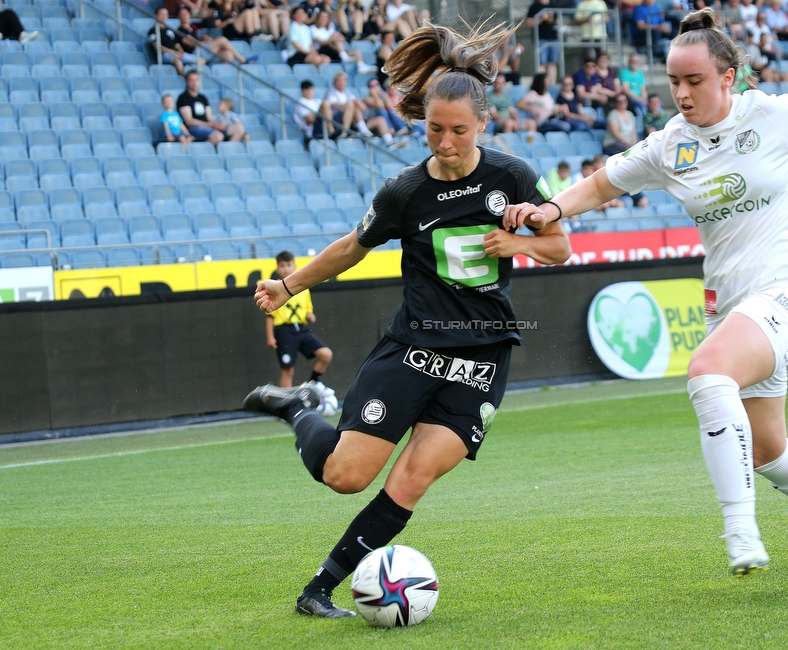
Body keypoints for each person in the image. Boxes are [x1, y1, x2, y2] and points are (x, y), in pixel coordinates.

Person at [504, 6, 788, 577]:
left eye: (694, 81)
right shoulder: (670, 144)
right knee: (768, 449)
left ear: (727, 77)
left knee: (707, 373)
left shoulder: (775, 113)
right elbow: (599, 186)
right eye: (674, 81)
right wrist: (548, 208)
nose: (682, 93)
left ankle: (740, 529)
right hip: (730, 307)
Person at [242, 22, 570, 618]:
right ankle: (299, 409)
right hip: (414, 349)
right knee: (345, 476)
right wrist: (287, 285)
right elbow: (350, 247)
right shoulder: (404, 191)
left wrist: (518, 244)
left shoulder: (515, 177)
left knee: (413, 479)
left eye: (459, 131)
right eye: (434, 129)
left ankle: (319, 590)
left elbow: (560, 248)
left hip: (482, 357)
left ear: (483, 125)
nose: (445, 142)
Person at [265, 251, 334, 389]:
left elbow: (308, 310)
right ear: (278, 269)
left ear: (294, 266)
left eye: (288, 265)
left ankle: (314, 385)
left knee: (326, 354)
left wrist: (310, 315)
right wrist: (270, 337)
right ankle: (286, 403)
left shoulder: (303, 288)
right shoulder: (275, 288)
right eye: (282, 266)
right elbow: (270, 316)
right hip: (284, 331)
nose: (286, 268)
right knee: (288, 369)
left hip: (302, 329)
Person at [177, 70, 246, 144]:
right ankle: (203, 151)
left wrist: (217, 124)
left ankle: (229, 150)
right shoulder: (183, 98)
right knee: (218, 136)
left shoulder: (203, 98)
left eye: (197, 80)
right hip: (194, 128)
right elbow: (189, 121)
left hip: (208, 126)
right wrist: (209, 125)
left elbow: (209, 117)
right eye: (192, 80)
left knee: (239, 129)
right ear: (187, 82)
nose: (195, 83)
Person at [176, 5, 257, 66]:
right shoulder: (180, 30)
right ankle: (242, 59)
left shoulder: (192, 28)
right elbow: (189, 42)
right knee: (222, 40)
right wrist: (203, 43)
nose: (185, 16)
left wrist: (203, 38)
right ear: (178, 17)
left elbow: (196, 40)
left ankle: (223, 79)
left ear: (189, 15)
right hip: (195, 54)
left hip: (203, 51)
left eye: (186, 13)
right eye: (182, 14)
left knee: (228, 54)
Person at [147, 6, 195, 76]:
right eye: (161, 14)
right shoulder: (153, 31)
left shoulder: (169, 30)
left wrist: (180, 50)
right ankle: (185, 79)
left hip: (175, 53)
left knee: (200, 60)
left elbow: (176, 43)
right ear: (156, 16)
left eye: (166, 14)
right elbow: (157, 46)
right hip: (165, 55)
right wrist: (173, 52)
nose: (164, 16)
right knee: (177, 61)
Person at [525, 0, 559, 82]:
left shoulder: (553, 4)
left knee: (552, 63)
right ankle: (542, 83)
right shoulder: (534, 6)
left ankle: (552, 84)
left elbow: (557, 20)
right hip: (541, 38)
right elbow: (529, 24)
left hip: (553, 37)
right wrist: (541, 19)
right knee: (542, 63)